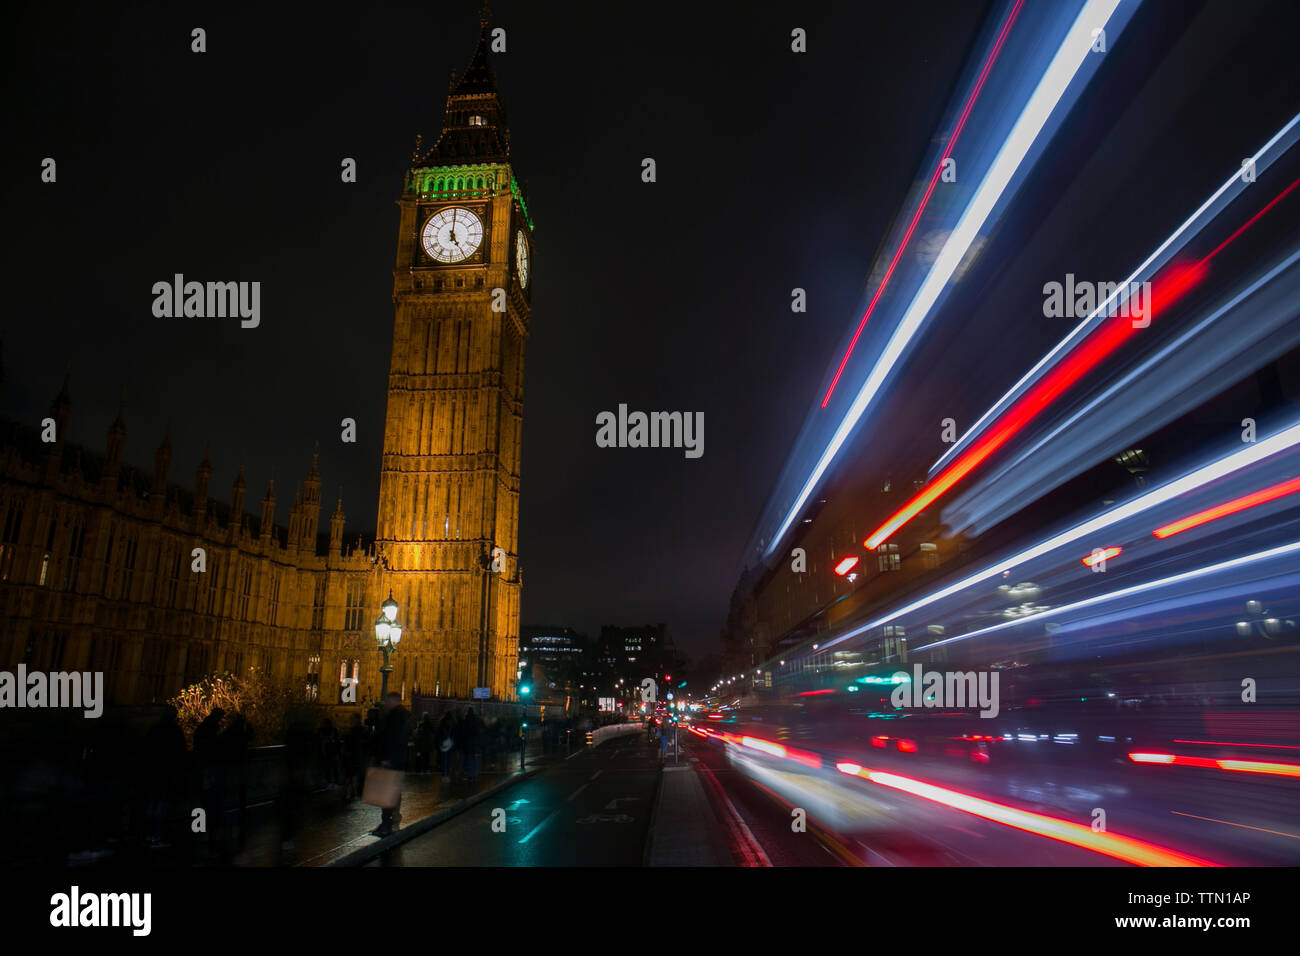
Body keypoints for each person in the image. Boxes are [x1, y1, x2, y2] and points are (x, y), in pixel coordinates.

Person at [142, 705, 187, 848]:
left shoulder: (154, 729)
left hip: (153, 771)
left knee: (152, 804)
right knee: (162, 804)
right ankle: (156, 835)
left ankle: (148, 834)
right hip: (167, 772)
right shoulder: (175, 731)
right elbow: (180, 752)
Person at [369, 693, 410, 837]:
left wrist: (386, 757)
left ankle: (386, 824)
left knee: (386, 792)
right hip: (397, 759)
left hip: (391, 759)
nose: (386, 703)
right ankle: (391, 821)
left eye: (388, 700)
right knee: (393, 791)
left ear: (394, 701)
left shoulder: (395, 716)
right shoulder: (402, 715)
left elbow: (392, 738)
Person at [343, 713, 366, 800]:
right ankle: (353, 792)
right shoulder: (361, 730)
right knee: (353, 774)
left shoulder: (352, 730)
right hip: (356, 754)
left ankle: (349, 792)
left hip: (352, 754)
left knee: (350, 775)